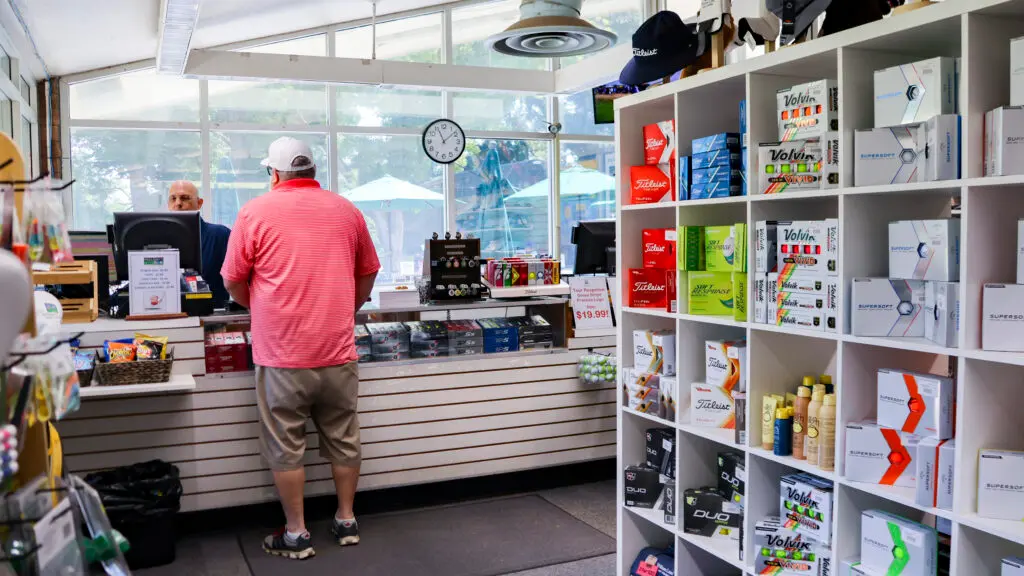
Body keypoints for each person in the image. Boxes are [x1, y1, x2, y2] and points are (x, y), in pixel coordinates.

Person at [221, 137, 379, 560]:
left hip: (282, 354)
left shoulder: (254, 211)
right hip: (338, 350)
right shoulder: (347, 210)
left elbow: (233, 280)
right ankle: (346, 520)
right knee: (344, 436)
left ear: (273, 173)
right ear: (312, 172)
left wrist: (263, 305)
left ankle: (296, 532)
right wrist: (347, 307)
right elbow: (368, 273)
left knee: (285, 443)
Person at [167, 181, 232, 307]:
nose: (178, 203)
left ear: (199, 203)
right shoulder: (158, 238)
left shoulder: (219, 235)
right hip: (168, 313)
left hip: (212, 316)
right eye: (173, 199)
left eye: (185, 198)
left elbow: (238, 278)